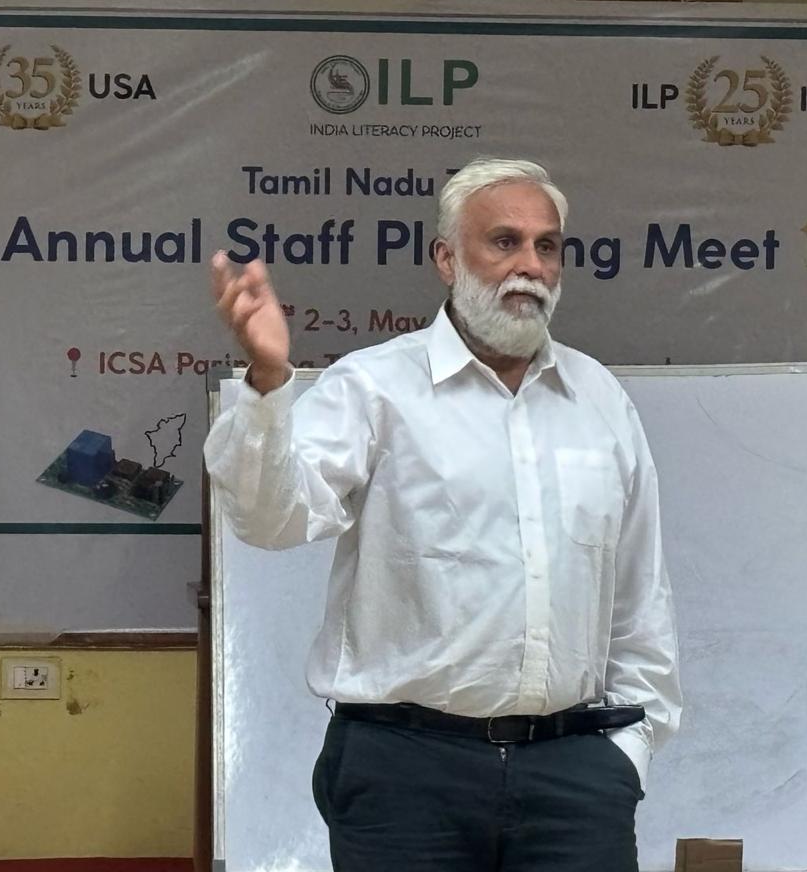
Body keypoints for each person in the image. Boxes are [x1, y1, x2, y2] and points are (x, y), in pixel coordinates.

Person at [204, 158, 681, 872]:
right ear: (447, 259)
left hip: (575, 779)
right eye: (504, 242)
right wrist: (269, 382)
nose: (530, 266)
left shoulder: (600, 400)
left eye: (547, 246)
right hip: (405, 776)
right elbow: (271, 520)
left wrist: (628, 752)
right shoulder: (375, 387)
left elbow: (640, 593)